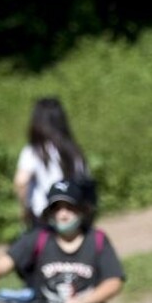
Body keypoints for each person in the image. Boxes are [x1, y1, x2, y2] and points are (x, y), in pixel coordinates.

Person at [14, 97, 94, 227]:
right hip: (73, 214)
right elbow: (85, 180)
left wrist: (24, 209)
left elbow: (21, 182)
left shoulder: (34, 151)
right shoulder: (73, 149)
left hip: (45, 215)